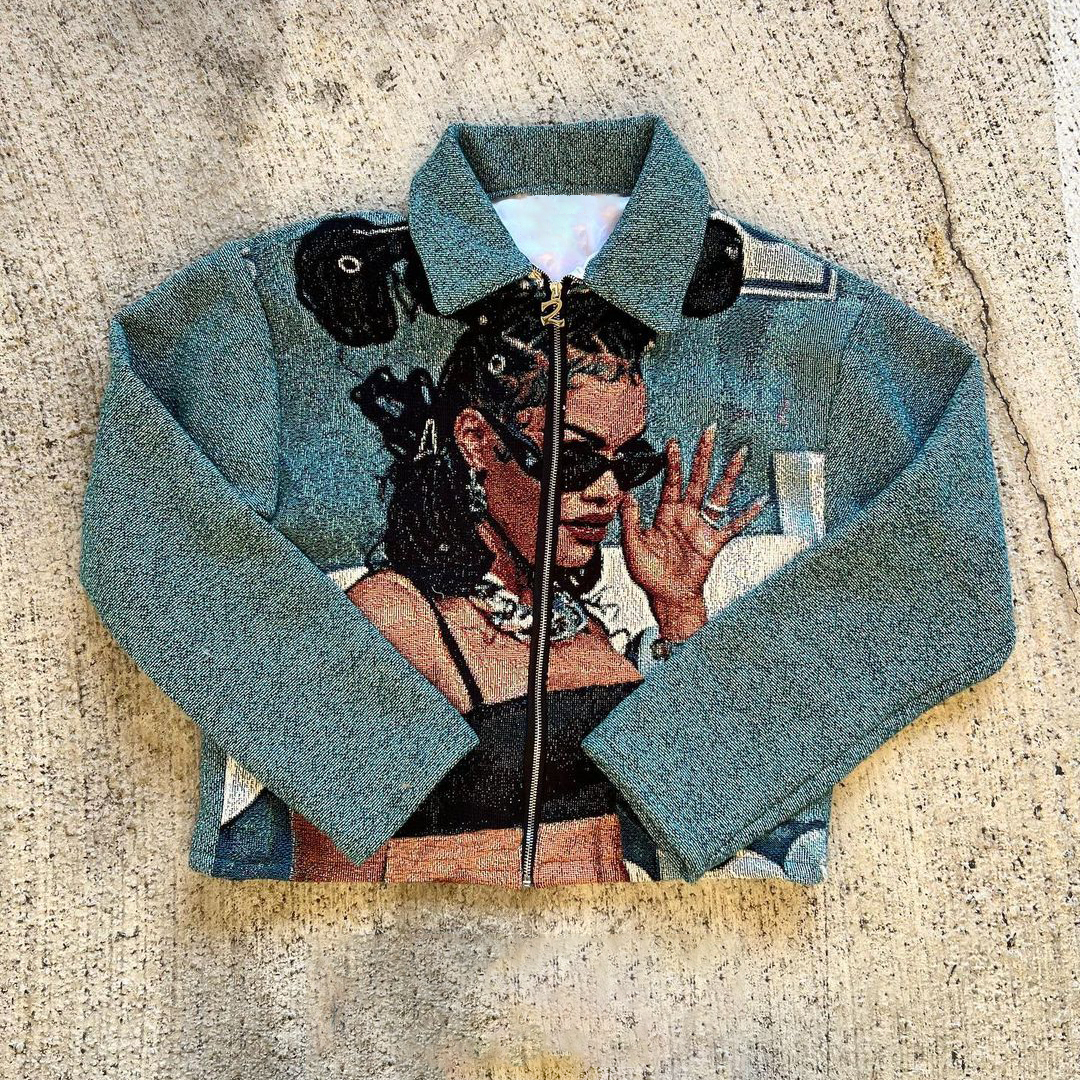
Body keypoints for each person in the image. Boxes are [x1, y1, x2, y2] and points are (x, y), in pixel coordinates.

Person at [296, 281, 766, 886]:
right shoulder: (391, 619)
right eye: (574, 459)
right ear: (477, 440)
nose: (607, 492)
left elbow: (714, 808)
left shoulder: (579, 625)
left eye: (628, 463)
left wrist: (679, 607)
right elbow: (327, 887)